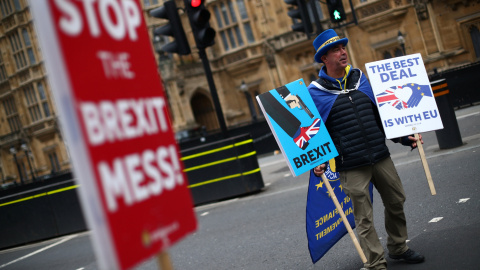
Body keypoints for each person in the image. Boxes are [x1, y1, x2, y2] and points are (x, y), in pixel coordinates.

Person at [307, 29, 425, 270]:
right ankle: (376, 262)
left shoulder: (362, 80)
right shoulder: (315, 93)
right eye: (335, 50)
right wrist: (317, 161)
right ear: (324, 59)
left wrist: (404, 137)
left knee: (396, 200)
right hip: (351, 165)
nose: (342, 52)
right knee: (363, 217)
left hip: (379, 156)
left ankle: (398, 246)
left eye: (343, 48)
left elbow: (383, 116)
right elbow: (313, 135)